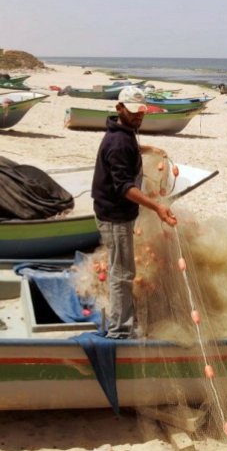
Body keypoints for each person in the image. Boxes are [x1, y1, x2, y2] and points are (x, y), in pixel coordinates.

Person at [92, 86, 177, 339]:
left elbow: (129, 151)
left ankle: (119, 319)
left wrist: (148, 150)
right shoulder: (118, 142)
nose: (138, 117)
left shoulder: (123, 133)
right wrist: (158, 207)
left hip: (115, 213)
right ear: (119, 109)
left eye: (141, 113)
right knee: (123, 273)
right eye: (133, 113)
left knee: (120, 268)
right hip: (115, 215)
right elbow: (125, 188)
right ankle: (120, 330)